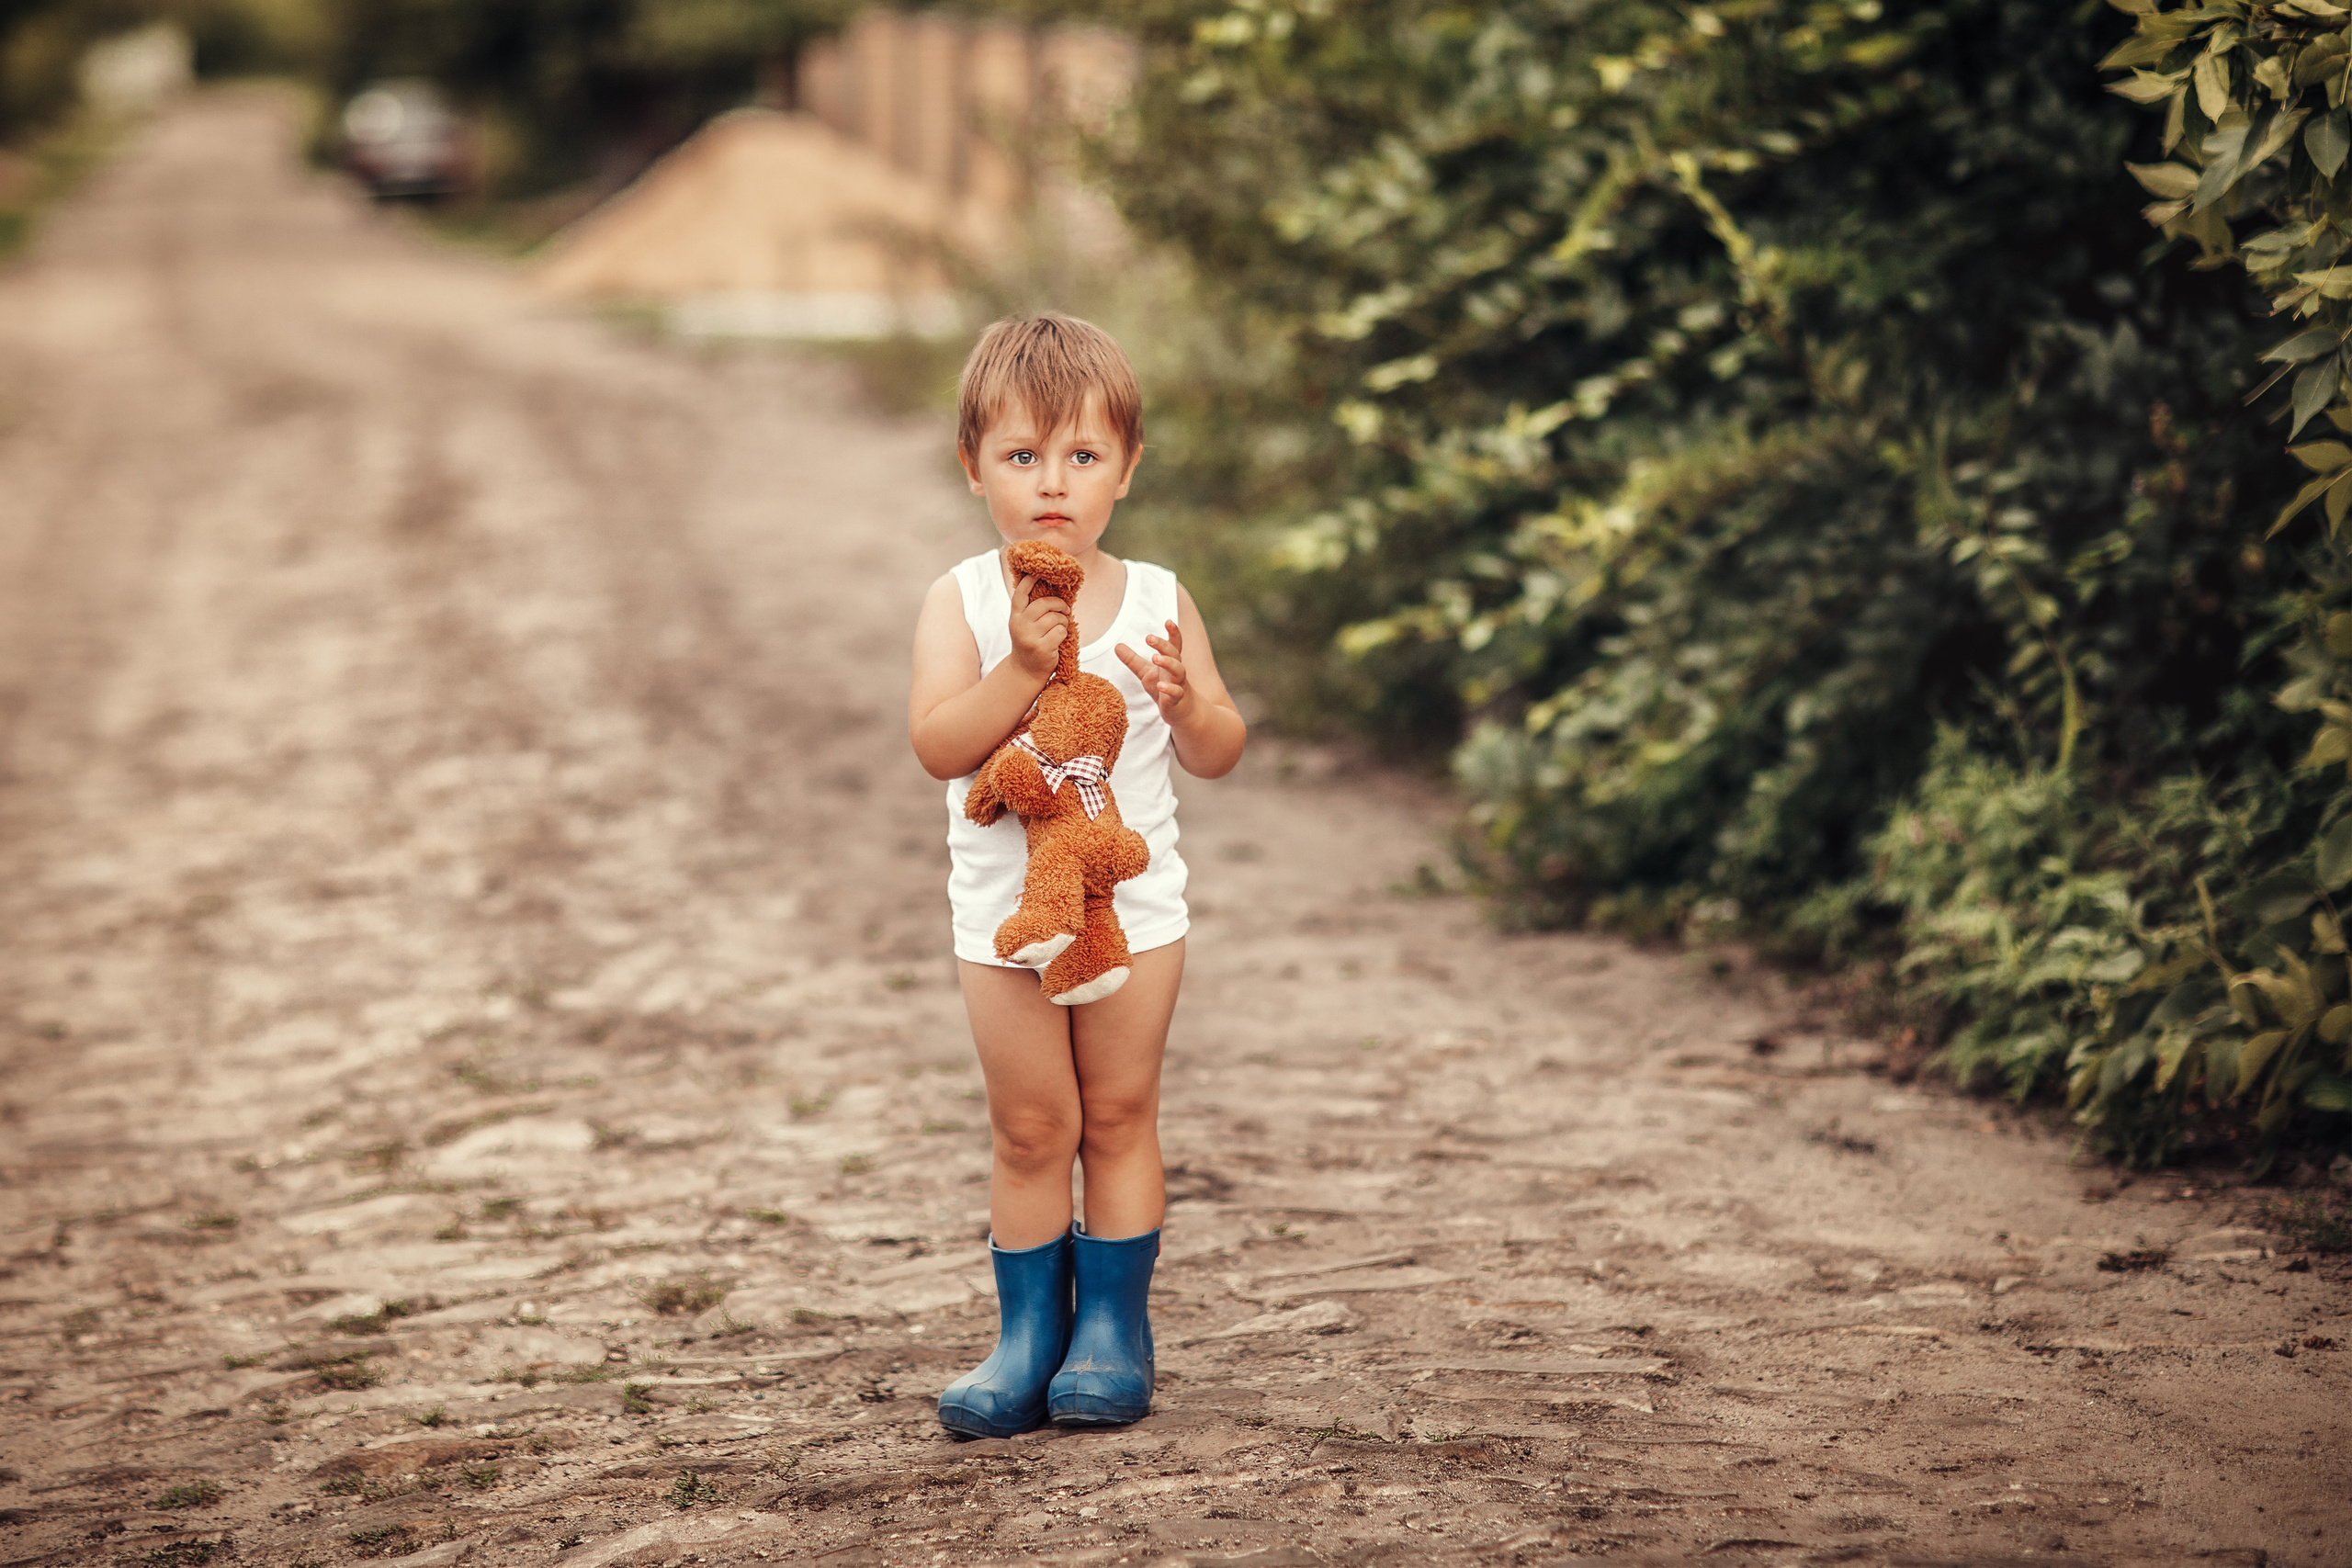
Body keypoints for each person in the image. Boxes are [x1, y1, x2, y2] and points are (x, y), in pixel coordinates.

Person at [907, 313, 1248, 1434]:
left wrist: (1188, 704)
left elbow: (1219, 750)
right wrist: (1020, 659)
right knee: (1030, 1127)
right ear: (973, 469)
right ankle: (1025, 1335)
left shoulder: (1157, 598)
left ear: (1127, 468)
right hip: (1002, 922)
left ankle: (1112, 1331)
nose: (1052, 484)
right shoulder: (960, 602)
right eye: (1020, 457)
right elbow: (941, 747)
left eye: (1082, 456)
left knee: (1119, 1113)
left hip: (1135, 912)